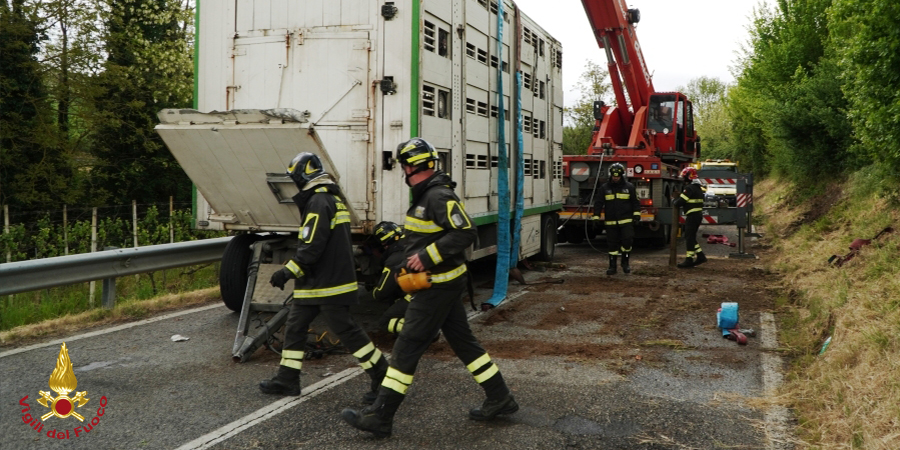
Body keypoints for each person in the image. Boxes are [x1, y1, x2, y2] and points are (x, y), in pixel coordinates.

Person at [341, 137, 518, 438]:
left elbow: (466, 232)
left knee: (407, 347)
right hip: (443, 285)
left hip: (437, 287)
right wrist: (408, 262)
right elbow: (426, 238)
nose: (403, 172)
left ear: (411, 166)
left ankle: (381, 417)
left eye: (403, 166)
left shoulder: (437, 196)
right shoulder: (426, 196)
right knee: (464, 343)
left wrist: (426, 257)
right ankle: (500, 397)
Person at [262, 152, 388, 404]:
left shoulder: (319, 202)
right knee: (295, 327)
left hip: (328, 285)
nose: (294, 183)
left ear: (303, 176)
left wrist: (286, 272)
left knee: (348, 332)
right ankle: (287, 378)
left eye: (295, 178)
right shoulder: (329, 198)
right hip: (316, 284)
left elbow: (311, 247)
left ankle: (382, 377)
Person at [592, 163, 641, 275]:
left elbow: (635, 202)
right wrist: (596, 216)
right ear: (611, 175)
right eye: (614, 176)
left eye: (617, 176)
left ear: (621, 175)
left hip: (626, 220)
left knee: (627, 241)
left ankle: (625, 263)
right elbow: (598, 203)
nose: (615, 178)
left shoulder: (629, 187)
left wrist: (637, 215)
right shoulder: (604, 188)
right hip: (611, 222)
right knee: (612, 245)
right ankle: (612, 266)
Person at [370, 221, 412, 336]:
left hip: (414, 298)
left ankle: (424, 331)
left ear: (384, 243)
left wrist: (374, 291)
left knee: (385, 322)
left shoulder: (393, 260)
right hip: (431, 293)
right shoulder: (411, 243)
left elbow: (382, 292)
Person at [673, 166, 708, 268]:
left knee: (689, 237)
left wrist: (674, 201)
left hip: (692, 216)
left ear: (689, 177)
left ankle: (689, 260)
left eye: (684, 177)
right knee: (691, 237)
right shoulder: (698, 188)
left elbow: (680, 202)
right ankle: (700, 256)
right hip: (696, 216)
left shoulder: (689, 189)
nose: (683, 179)